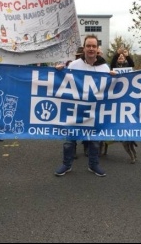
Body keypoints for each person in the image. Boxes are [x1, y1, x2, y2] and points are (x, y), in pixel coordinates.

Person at [54, 35, 115, 177]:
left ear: (98, 49)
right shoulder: (74, 65)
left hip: (94, 111)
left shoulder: (104, 67)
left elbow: (110, 88)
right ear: (84, 48)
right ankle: (66, 164)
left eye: (94, 46)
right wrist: (58, 71)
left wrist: (116, 78)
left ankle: (93, 165)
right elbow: (63, 81)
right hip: (75, 110)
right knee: (69, 140)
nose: (91, 49)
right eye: (88, 46)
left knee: (94, 141)